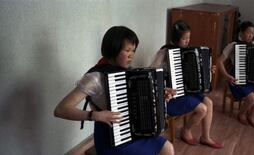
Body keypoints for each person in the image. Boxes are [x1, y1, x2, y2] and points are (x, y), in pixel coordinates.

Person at [54, 26, 174, 155]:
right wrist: (94, 115)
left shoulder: (128, 72)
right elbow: (60, 109)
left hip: (134, 130)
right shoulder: (95, 78)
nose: (131, 55)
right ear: (113, 50)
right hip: (110, 138)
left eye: (133, 50)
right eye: (127, 50)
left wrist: (159, 94)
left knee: (167, 148)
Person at [150, 20, 223, 149]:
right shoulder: (164, 53)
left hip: (187, 92)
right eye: (184, 38)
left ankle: (205, 136)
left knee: (209, 103)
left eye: (189, 38)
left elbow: (197, 72)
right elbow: (151, 73)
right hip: (172, 97)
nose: (187, 41)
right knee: (202, 109)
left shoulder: (189, 52)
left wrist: (208, 70)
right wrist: (163, 86)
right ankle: (186, 130)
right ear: (176, 38)